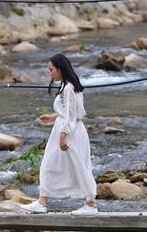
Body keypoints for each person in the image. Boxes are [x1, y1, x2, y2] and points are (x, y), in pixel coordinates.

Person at [20, 54, 98, 215]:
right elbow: (69, 111)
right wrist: (53, 116)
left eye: (51, 70)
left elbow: (71, 115)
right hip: (67, 128)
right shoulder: (67, 86)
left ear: (60, 69)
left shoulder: (69, 88)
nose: (50, 73)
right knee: (51, 165)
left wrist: (63, 134)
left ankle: (90, 205)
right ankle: (42, 202)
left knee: (78, 166)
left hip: (70, 132)